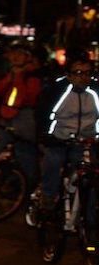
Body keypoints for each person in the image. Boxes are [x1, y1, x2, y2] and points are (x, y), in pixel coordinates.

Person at [36, 55, 99, 232]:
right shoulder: (57, 91)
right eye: (78, 73)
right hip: (59, 139)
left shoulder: (95, 92)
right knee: (54, 163)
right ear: (69, 75)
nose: (83, 77)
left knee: (91, 178)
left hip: (86, 141)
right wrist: (47, 136)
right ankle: (48, 199)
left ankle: (89, 219)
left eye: (87, 73)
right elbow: (44, 115)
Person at [0, 42, 43, 187]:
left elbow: (30, 97)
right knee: (1, 150)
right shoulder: (10, 73)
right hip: (6, 115)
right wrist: (12, 77)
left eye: (19, 54)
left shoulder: (32, 75)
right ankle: (8, 181)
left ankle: (25, 185)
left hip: (24, 117)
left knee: (24, 151)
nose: (14, 57)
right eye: (13, 54)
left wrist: (19, 76)